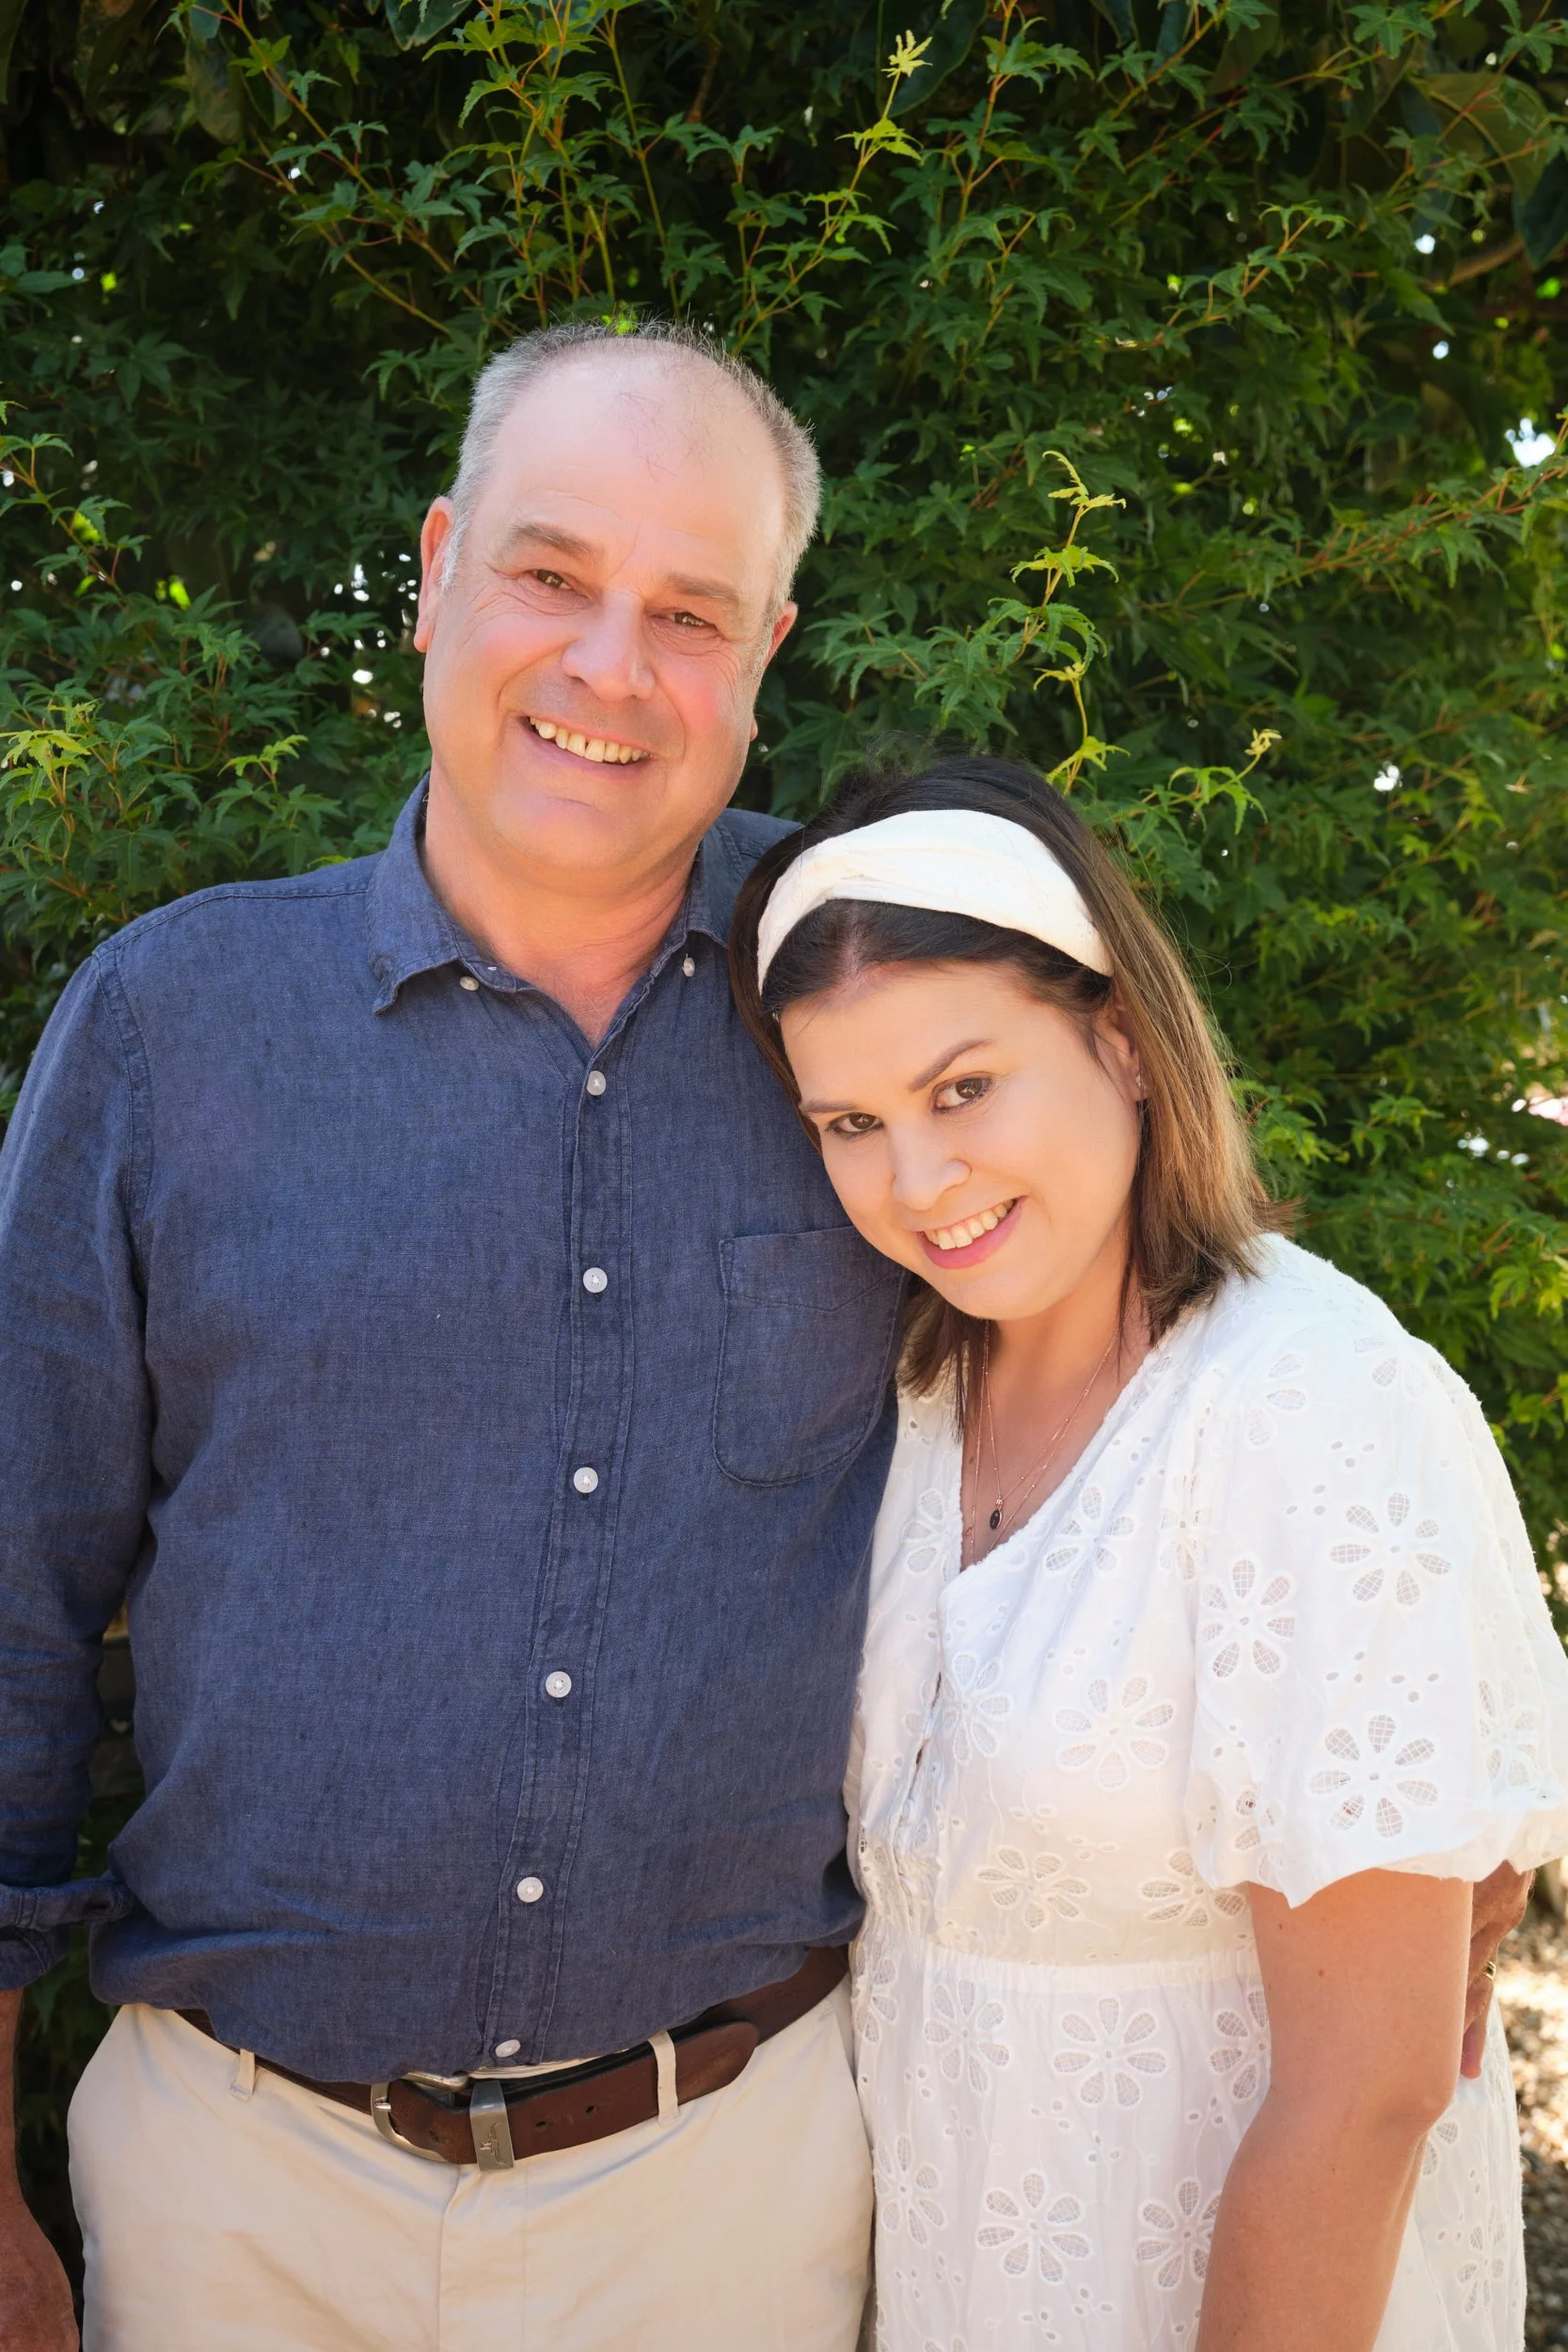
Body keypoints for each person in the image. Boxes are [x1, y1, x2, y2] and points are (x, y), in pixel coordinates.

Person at [0, 321, 901, 2351]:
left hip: (726, 2187)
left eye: (687, 611)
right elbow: (7, 1617)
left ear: (766, 645)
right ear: (433, 567)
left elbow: (1142, 1351)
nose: (608, 665)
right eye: (550, 572)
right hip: (237, 2190)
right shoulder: (169, 1030)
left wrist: (1347, 1777)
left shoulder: (881, 996)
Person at [729, 752, 1568, 2352]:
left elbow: (1372, 2092)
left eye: (963, 1087)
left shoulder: (1308, 1400)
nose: (918, 1181)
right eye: (850, 1120)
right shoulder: (907, 1401)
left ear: (1120, 1036)